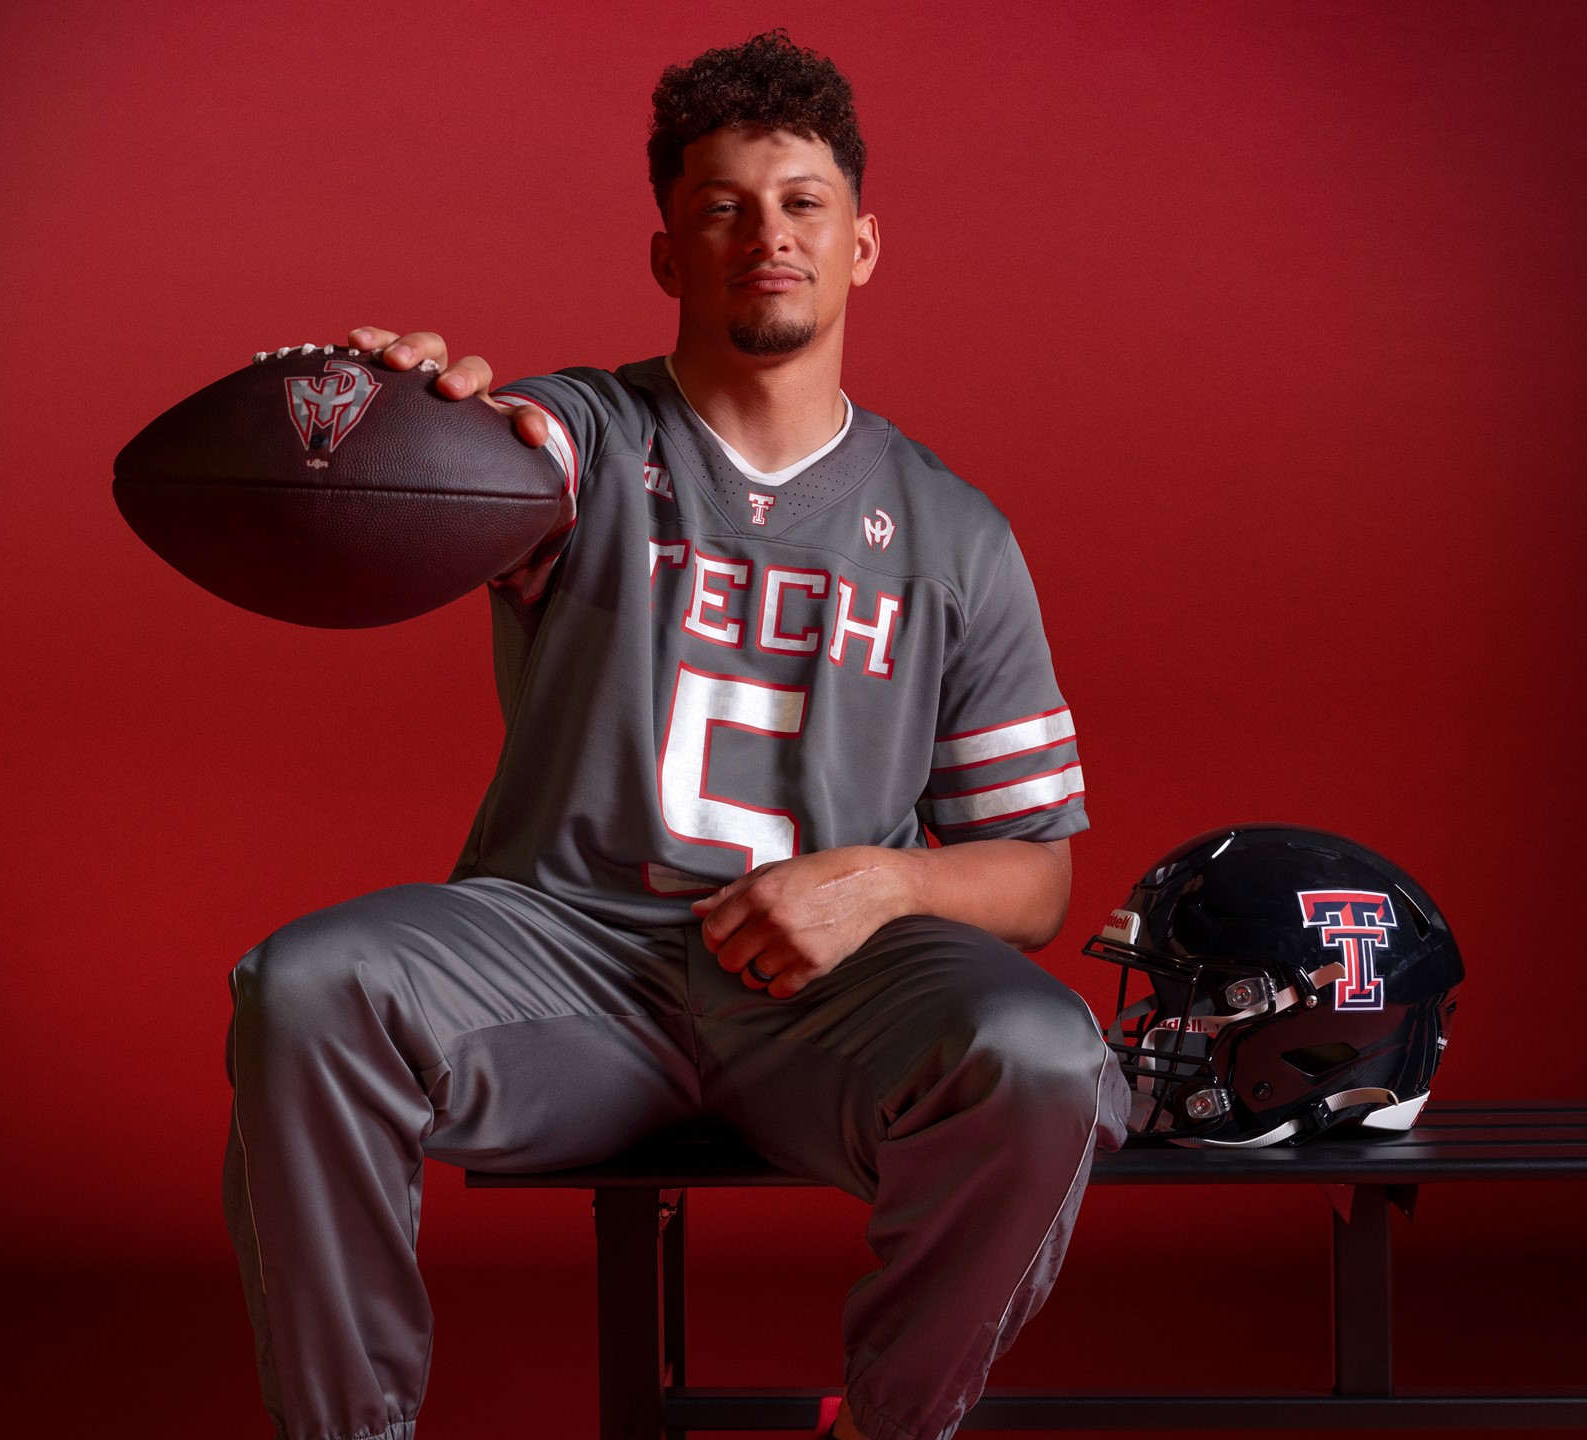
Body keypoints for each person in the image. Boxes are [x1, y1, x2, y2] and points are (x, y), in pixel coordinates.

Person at [223, 30, 1129, 1440]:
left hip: (823, 1007)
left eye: (801, 202)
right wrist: (398, 411)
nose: (767, 234)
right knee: (304, 985)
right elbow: (496, 446)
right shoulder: (582, 438)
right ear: (667, 252)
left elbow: (1038, 877)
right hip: (566, 968)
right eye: (721, 205)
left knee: (1049, 1058)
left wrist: (887, 880)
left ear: (863, 242)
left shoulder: (955, 533)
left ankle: (890, 1429)